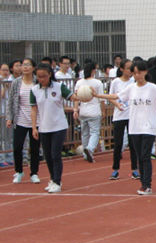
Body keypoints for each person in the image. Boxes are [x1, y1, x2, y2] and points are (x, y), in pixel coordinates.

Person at [92, 60, 156, 195]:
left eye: (139, 73)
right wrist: (98, 95)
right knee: (140, 157)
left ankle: (147, 185)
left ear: (145, 72)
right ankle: (143, 184)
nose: (137, 76)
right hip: (134, 127)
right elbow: (116, 96)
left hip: (148, 127)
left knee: (145, 156)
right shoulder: (131, 88)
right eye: (134, 73)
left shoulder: (153, 88)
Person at [30, 63, 78, 193]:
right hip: (44, 127)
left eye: (44, 76)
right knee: (48, 155)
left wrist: (79, 97)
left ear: (50, 74)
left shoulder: (58, 87)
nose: (41, 79)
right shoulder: (34, 90)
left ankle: (57, 181)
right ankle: (52, 178)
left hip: (59, 126)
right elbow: (34, 110)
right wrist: (34, 127)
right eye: (39, 77)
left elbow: (72, 96)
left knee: (55, 154)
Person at [6, 58, 41, 184]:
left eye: (27, 65)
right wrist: (9, 117)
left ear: (33, 67)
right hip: (20, 119)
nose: (25, 67)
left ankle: (34, 173)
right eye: (23, 65)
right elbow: (11, 101)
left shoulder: (37, 82)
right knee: (17, 146)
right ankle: (19, 171)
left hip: (36, 121)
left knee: (35, 148)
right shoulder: (16, 83)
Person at [108, 59, 139, 180]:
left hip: (132, 116)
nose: (131, 71)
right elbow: (111, 97)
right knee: (118, 144)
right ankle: (115, 169)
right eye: (128, 68)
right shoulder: (116, 82)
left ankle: (135, 169)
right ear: (121, 69)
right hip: (119, 116)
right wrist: (117, 104)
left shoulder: (134, 82)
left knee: (133, 144)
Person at [74, 62, 105, 163]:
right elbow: (101, 99)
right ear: (93, 71)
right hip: (94, 111)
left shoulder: (79, 83)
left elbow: (76, 98)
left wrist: (76, 110)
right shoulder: (97, 83)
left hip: (83, 111)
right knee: (95, 132)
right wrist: (103, 111)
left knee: (85, 133)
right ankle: (90, 149)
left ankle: (85, 153)